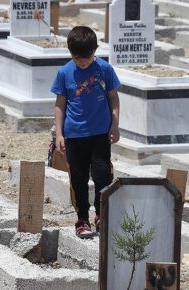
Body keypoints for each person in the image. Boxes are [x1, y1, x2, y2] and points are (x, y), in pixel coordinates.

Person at [51, 26, 121, 239]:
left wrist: (115, 125)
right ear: (70, 52)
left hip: (100, 133)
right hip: (75, 135)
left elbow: (113, 97)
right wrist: (59, 134)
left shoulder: (105, 69)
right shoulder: (64, 73)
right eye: (78, 57)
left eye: (88, 56)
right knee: (78, 179)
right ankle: (82, 217)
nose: (83, 62)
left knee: (102, 174)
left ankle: (102, 213)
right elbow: (60, 104)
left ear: (95, 50)